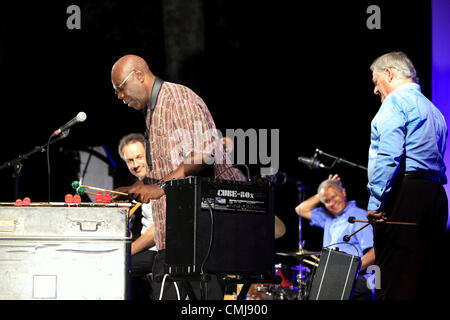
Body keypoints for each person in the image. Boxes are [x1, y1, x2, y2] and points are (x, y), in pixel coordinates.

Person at [111, 54, 245, 300]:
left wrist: (160, 187)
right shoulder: (153, 112)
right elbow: (169, 167)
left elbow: (202, 154)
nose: (119, 96)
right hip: (174, 236)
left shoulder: (177, 99)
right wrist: (135, 188)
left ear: (138, 75)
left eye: (120, 88)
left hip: (200, 234)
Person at [367, 51, 448, 299]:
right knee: (425, 281)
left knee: (392, 281)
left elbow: (389, 156)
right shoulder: (434, 111)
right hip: (436, 197)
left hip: (406, 196)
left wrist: (375, 203)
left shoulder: (395, 102)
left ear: (389, 73)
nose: (375, 90)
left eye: (375, 82)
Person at [295, 174, 375, 300]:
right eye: (326, 201)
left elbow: (373, 253)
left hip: (359, 278)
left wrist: (349, 272)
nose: (332, 203)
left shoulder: (359, 216)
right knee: (310, 285)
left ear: (343, 192)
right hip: (333, 277)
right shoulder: (328, 218)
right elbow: (300, 209)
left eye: (334, 196)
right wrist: (322, 192)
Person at [118, 133, 157, 300]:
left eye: (139, 157)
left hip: (162, 251)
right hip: (150, 249)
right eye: (130, 161)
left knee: (116, 265)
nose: (135, 165)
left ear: (149, 154)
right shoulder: (143, 183)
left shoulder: (159, 182)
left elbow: (157, 232)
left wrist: (126, 251)